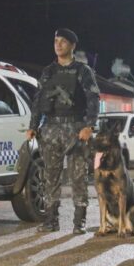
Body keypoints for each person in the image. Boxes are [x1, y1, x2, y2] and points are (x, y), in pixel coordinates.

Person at [28, 28, 100, 234]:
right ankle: (51, 220)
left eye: (63, 41)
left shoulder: (83, 71)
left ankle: (79, 221)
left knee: (78, 176)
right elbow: (37, 100)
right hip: (50, 127)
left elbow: (93, 98)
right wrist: (33, 126)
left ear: (73, 46)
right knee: (50, 175)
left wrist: (89, 125)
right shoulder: (48, 71)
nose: (58, 45)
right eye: (56, 41)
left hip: (75, 127)